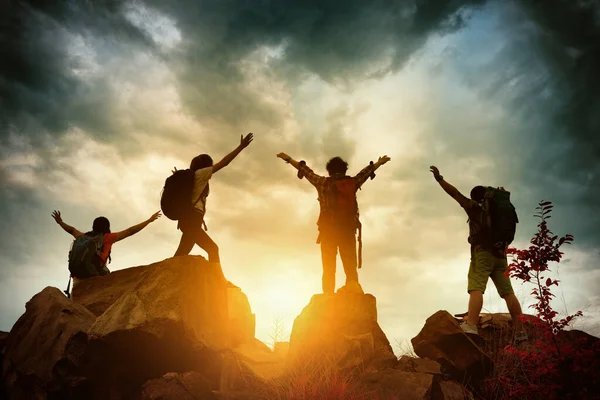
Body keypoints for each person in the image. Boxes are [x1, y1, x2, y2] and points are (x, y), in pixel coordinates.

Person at [429, 165, 527, 341]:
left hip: (482, 254)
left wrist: (440, 179)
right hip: (500, 256)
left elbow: (455, 194)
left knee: (476, 288)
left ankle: (471, 325)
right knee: (508, 293)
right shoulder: (499, 211)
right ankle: (521, 332)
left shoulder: (474, 208)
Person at [276, 153, 391, 294]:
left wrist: (288, 158)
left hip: (328, 233)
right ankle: (353, 292)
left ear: (329, 171)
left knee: (329, 268)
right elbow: (364, 173)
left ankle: (328, 297)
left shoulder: (322, 183)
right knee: (350, 267)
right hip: (347, 232)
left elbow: (306, 172)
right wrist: (378, 163)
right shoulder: (352, 183)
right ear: (345, 170)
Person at [173, 133, 254, 263]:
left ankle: (215, 279)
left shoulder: (194, 177)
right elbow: (224, 163)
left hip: (188, 221)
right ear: (206, 166)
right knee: (210, 249)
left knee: (186, 253)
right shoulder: (201, 174)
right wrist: (241, 147)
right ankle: (217, 280)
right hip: (192, 220)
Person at [52, 210, 161, 288]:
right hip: (96, 278)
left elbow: (71, 230)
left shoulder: (83, 237)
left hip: (77, 279)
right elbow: (130, 231)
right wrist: (148, 220)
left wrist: (60, 222)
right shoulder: (107, 238)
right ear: (106, 227)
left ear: (93, 226)